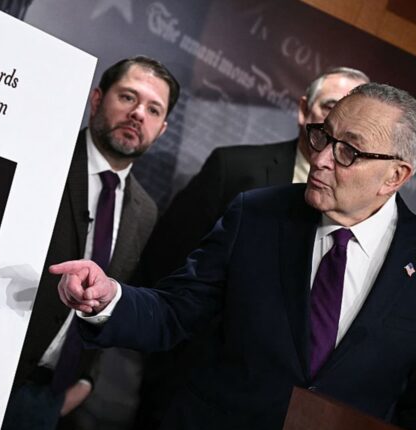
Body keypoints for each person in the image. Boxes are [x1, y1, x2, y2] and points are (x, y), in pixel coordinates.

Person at [52, 83, 416, 430]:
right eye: (323, 137)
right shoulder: (257, 214)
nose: (321, 159)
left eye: (348, 151)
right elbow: (175, 311)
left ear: (395, 176)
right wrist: (109, 298)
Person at [2, 56, 179, 430]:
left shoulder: (145, 211)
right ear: (97, 99)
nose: (138, 114)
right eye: (128, 97)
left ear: (162, 129)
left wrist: (87, 378)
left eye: (153, 110)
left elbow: (108, 299)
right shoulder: (44, 157)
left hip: (48, 398)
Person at [138, 67, 370, 287]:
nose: (339, 123)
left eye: (355, 116)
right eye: (331, 107)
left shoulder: (368, 203)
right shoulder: (232, 168)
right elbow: (167, 258)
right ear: (303, 110)